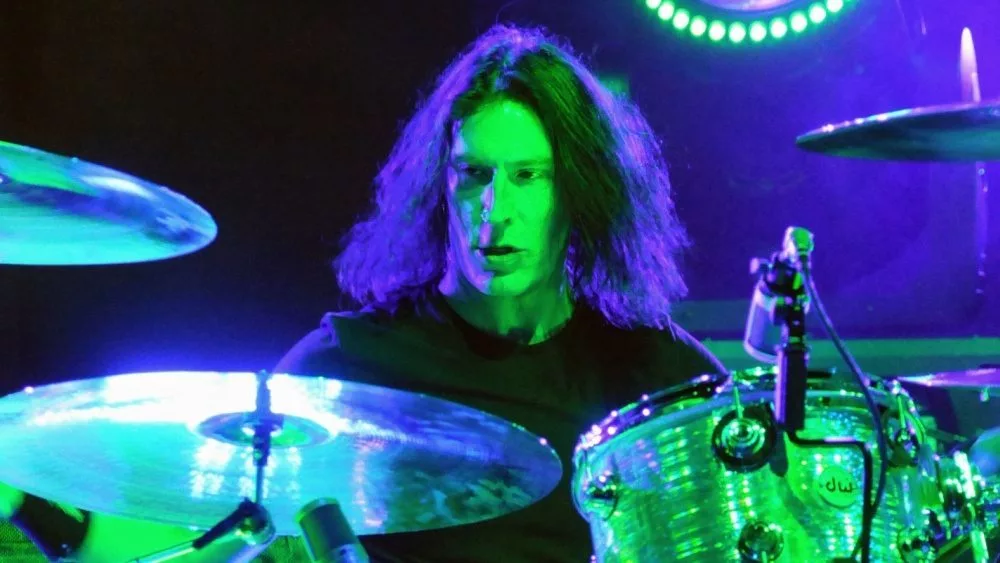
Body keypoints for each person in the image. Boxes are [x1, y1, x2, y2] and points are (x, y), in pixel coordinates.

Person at [0, 23, 725, 562]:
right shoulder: (352, 367)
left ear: (580, 189)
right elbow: (203, 525)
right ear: (442, 185)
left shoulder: (655, 379)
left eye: (528, 176)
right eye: (473, 174)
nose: (494, 208)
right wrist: (24, 495)